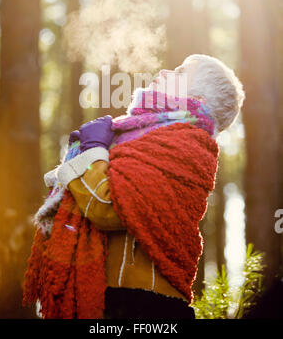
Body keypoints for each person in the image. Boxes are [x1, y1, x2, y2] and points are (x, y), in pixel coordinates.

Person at [23, 54, 245, 319]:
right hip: (112, 299)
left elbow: (109, 208)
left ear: (198, 101)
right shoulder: (141, 135)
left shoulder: (188, 146)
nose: (165, 71)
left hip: (141, 306)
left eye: (180, 72)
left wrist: (93, 151)